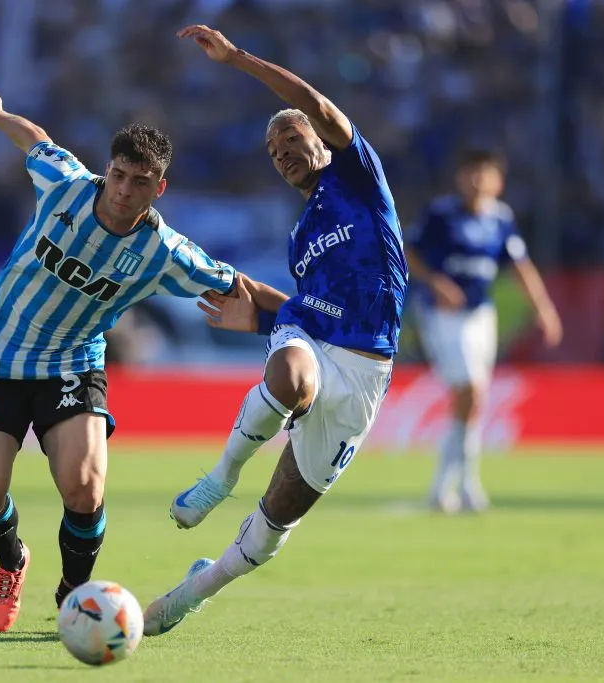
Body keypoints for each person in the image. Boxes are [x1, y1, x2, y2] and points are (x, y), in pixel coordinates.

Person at [141, 25, 408, 636]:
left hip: (367, 372)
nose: (283, 150)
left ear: (320, 140)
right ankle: (221, 476)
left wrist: (236, 60)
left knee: (273, 527)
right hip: (312, 343)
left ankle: (194, 588)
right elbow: (315, 308)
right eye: (273, 149)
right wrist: (267, 316)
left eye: (290, 138)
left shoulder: (360, 181)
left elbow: (314, 103)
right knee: (288, 377)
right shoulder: (299, 237)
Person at [0, 86, 237, 632]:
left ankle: (73, 594)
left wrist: (305, 313)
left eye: (140, 182)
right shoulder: (66, 185)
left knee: (84, 488)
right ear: (109, 171)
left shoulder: (164, 252)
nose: (124, 191)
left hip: (71, 364)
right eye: (119, 176)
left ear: (159, 186)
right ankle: (12, 562)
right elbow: (36, 140)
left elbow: (233, 283)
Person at [405, 149, 562, 513]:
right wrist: (436, 283)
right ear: (460, 178)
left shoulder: (501, 219)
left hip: (480, 316)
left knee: (472, 400)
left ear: (497, 181)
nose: (477, 180)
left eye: (484, 173)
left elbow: (520, 266)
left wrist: (544, 308)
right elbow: (409, 253)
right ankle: (464, 484)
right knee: (470, 392)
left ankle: (451, 487)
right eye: (470, 172)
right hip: (442, 315)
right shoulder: (441, 215)